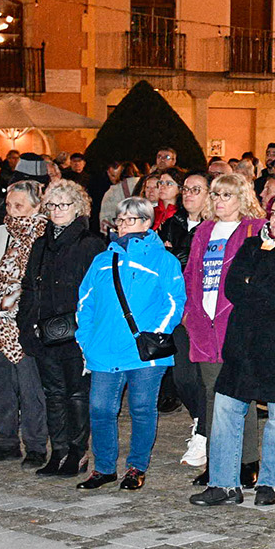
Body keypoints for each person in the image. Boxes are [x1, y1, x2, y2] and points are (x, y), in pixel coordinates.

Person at [191, 192, 275, 507]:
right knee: (226, 411)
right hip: (244, 344)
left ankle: (269, 483)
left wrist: (259, 287)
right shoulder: (252, 246)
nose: (274, 219)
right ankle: (224, 484)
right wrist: (265, 291)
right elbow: (233, 287)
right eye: (272, 213)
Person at [73, 196, 185, 490]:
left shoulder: (164, 260)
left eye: (130, 219)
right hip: (104, 350)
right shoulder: (102, 259)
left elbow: (174, 301)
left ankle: (136, 467)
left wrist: (155, 332)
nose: (122, 225)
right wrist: (85, 339)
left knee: (142, 408)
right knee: (100, 409)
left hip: (144, 352)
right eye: (120, 219)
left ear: (147, 223)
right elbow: (85, 302)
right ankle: (105, 467)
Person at [178, 174, 266, 486]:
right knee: (212, 393)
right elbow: (191, 273)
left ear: (242, 198)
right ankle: (217, 461)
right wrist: (189, 312)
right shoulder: (204, 230)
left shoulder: (255, 229)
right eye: (215, 195)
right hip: (205, 321)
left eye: (226, 195)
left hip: (238, 321)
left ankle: (247, 460)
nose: (219, 202)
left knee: (243, 392)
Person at [18, 180, 108, 477]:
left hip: (77, 332)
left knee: (77, 394)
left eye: (64, 204)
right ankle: (58, 451)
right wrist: (26, 323)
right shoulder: (41, 243)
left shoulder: (90, 243)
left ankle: (78, 453)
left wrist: (90, 331)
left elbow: (98, 291)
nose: (57, 210)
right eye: (52, 205)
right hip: (44, 330)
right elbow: (29, 285)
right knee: (53, 393)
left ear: (78, 208)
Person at [0, 179, 50, 467]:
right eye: (10, 205)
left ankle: (37, 445)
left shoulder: (45, 235)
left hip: (26, 324)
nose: (13, 211)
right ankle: (6, 442)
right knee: (1, 385)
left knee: (31, 387)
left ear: (37, 207)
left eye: (20, 205)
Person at [161, 173, 213, 464]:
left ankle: (203, 435)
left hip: (204, 310)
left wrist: (177, 254)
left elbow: (199, 262)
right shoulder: (171, 223)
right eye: (186, 189)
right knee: (182, 377)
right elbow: (162, 260)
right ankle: (199, 419)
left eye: (197, 189)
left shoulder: (214, 226)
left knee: (205, 377)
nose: (189, 194)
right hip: (177, 309)